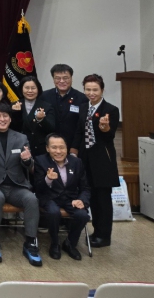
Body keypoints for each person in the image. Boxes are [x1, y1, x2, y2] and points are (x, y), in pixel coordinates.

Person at [0, 104, 42, 266]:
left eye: (5, 116)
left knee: (31, 199)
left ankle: (30, 243)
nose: (2, 119)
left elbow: (30, 166)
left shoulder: (21, 138)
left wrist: (27, 160)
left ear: (10, 119)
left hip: (16, 185)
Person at [70, 74, 120, 248]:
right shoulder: (84, 107)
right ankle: (95, 231)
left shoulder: (111, 110)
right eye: (88, 89)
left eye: (95, 90)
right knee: (90, 195)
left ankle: (104, 236)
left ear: (102, 90)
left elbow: (110, 135)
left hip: (102, 160)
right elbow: (79, 131)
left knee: (103, 200)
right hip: (85, 158)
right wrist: (73, 151)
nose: (91, 93)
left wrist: (104, 128)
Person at [34, 133, 90, 261]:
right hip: (49, 197)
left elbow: (85, 187)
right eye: (54, 147)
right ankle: (55, 243)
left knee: (82, 215)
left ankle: (70, 243)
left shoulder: (76, 162)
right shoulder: (40, 161)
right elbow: (38, 188)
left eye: (62, 147)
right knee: (53, 212)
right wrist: (48, 179)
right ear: (47, 148)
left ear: (67, 148)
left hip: (70, 198)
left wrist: (81, 200)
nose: (58, 151)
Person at [41, 64, 88, 150]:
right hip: (49, 144)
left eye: (65, 78)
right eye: (57, 78)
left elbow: (82, 126)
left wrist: (75, 147)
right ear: (53, 79)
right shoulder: (44, 96)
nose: (62, 81)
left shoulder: (82, 98)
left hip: (72, 144)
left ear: (71, 78)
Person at [10, 76, 55, 157]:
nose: (30, 91)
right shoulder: (14, 105)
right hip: (19, 146)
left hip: (40, 149)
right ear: (21, 89)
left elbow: (52, 129)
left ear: (38, 89)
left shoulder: (47, 106)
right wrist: (16, 114)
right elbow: (11, 128)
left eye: (33, 88)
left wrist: (41, 120)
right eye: (27, 88)